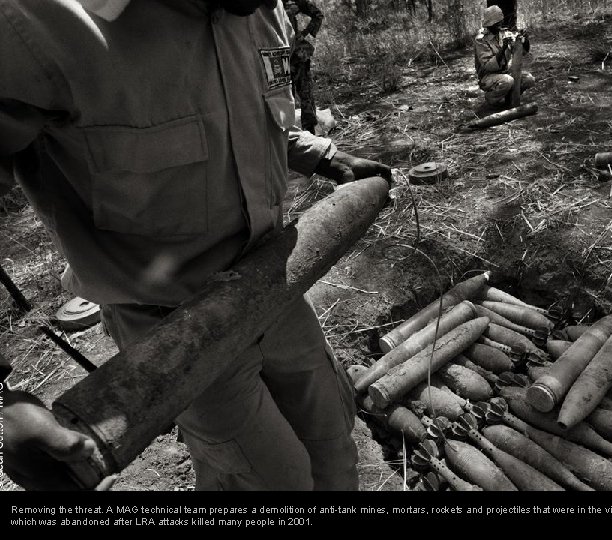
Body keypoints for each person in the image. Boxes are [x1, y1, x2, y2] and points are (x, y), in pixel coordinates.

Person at [0, 0, 391, 491]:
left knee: (335, 439)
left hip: (273, 283)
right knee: (272, 481)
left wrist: (330, 158)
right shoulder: (37, 22)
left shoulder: (260, 10)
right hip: (168, 330)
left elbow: (262, 116)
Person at [474, 5, 534, 108]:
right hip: (488, 77)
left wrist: (524, 40)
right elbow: (488, 66)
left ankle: (509, 98)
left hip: (504, 72)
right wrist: (503, 47)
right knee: (507, 81)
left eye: (501, 21)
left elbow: (522, 52)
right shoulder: (481, 40)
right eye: (498, 22)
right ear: (490, 23)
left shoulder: (504, 34)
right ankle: (491, 98)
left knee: (528, 79)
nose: (501, 24)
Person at [282, 0, 323, 134]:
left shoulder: (295, 1)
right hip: (278, 57)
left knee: (305, 93)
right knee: (284, 97)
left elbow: (318, 14)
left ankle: (310, 133)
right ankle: (287, 135)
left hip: (298, 56)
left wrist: (304, 33)